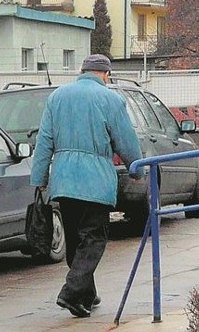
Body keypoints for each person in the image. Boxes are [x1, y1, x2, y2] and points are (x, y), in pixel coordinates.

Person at [30, 54, 142, 317]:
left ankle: (86, 296)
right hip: (95, 182)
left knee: (77, 238)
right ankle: (70, 292)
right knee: (94, 239)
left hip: (64, 181)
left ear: (82, 71)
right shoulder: (111, 99)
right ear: (105, 74)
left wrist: (40, 180)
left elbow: (44, 141)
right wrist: (137, 167)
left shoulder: (57, 97)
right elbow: (125, 139)